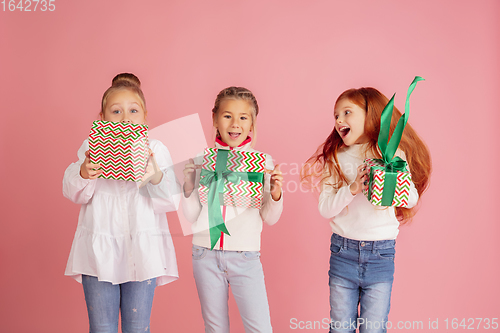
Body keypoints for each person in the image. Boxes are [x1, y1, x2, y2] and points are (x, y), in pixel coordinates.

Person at [301, 81, 431, 333]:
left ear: (370, 115)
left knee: (374, 328)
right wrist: (351, 188)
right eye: (336, 115)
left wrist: (386, 182)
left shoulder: (390, 155)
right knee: (340, 328)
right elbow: (325, 209)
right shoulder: (335, 157)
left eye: (347, 112)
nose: (339, 120)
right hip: (343, 252)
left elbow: (411, 199)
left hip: (381, 255)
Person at [63, 73, 180, 333]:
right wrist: (84, 171)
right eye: (116, 111)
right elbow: (74, 192)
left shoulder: (155, 148)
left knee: (138, 327)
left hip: (142, 252)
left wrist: (156, 176)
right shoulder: (90, 147)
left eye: (133, 110)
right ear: (102, 117)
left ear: (145, 116)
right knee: (101, 327)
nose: (125, 118)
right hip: (98, 252)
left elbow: (173, 200)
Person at [182, 86, 283, 333]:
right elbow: (191, 216)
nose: (235, 123)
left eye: (243, 117)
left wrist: (276, 193)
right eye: (227, 116)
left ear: (252, 123)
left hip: (245, 255)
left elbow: (270, 217)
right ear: (215, 118)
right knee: (215, 329)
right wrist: (186, 187)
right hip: (204, 254)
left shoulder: (263, 163)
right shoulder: (201, 159)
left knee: (259, 328)